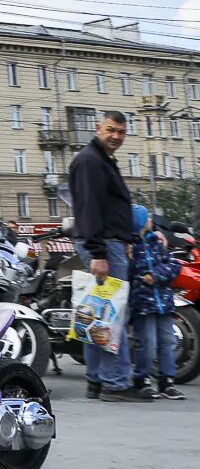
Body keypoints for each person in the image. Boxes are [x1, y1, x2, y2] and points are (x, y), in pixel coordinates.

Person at [69, 110, 151, 402]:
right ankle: (115, 383)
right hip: (102, 243)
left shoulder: (100, 160)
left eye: (121, 131)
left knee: (97, 311)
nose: (116, 136)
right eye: (111, 130)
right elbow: (90, 208)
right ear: (98, 128)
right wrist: (98, 252)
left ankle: (96, 380)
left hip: (107, 241)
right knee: (111, 314)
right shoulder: (91, 161)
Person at [129, 205, 186, 400]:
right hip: (143, 305)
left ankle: (167, 381)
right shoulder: (130, 247)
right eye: (148, 218)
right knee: (147, 343)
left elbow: (173, 265)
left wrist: (155, 275)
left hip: (164, 303)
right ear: (142, 222)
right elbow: (131, 274)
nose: (151, 221)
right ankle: (142, 379)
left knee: (167, 342)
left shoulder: (156, 242)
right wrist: (143, 278)